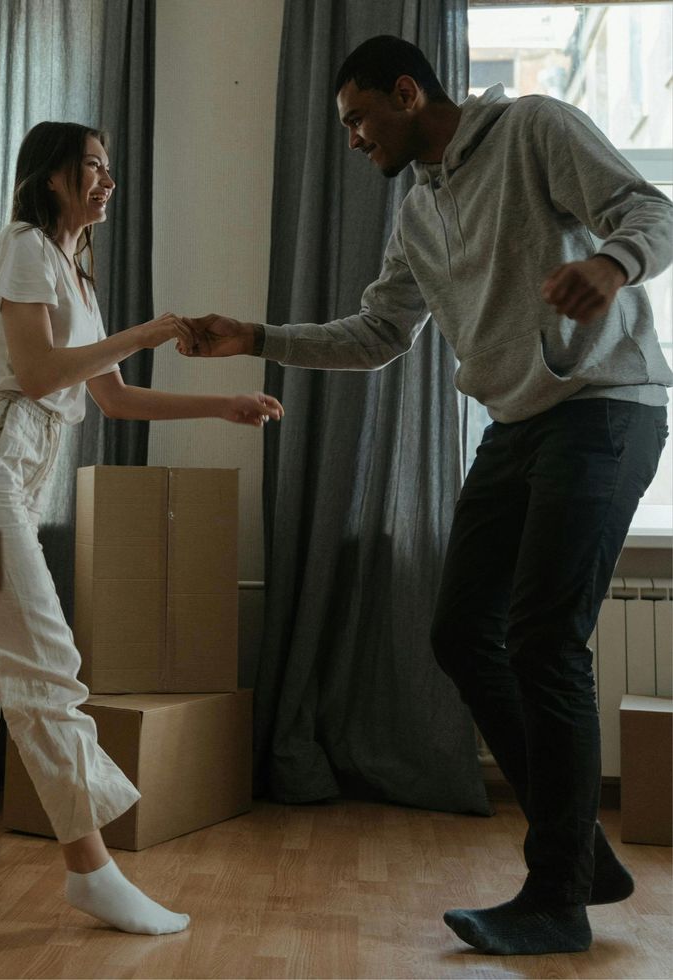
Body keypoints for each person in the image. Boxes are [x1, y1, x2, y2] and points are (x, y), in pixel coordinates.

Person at [175, 34, 672, 956]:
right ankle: (582, 855)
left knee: (543, 640)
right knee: (459, 631)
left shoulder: (533, 129)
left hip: (605, 406)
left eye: (361, 119)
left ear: (409, 92)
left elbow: (649, 207)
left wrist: (611, 266)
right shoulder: (418, 214)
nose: (356, 140)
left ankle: (557, 895)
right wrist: (254, 334)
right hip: (518, 425)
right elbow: (376, 335)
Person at [0, 120, 283, 935]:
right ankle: (91, 870)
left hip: (11, 464)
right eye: (93, 167)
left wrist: (220, 405)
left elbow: (112, 398)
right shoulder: (22, 245)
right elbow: (39, 373)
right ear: (52, 177)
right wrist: (149, 333)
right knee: (47, 660)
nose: (107, 182)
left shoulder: (74, 278)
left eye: (109, 170)